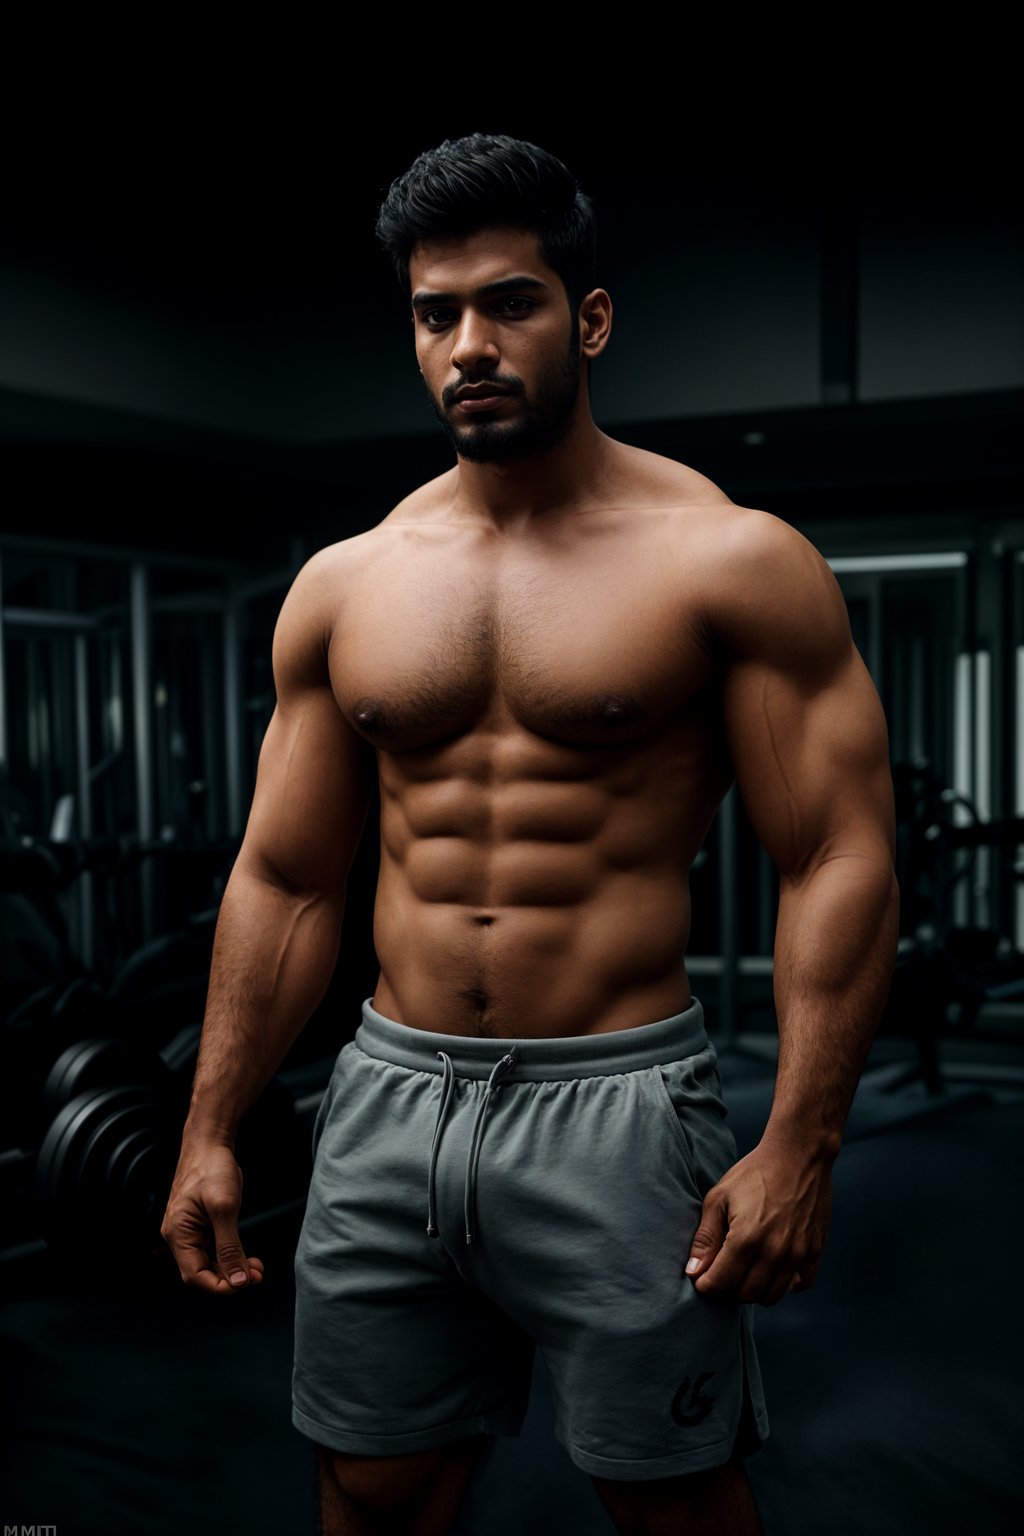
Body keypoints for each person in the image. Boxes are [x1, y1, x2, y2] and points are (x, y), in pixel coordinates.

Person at [161, 133, 899, 1536]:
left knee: (668, 1495)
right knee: (374, 1491)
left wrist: (803, 1142)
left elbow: (837, 857)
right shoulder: (345, 584)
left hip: (620, 1108)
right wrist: (210, 1127)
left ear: (592, 318)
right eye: (437, 315)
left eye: (512, 303)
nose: (470, 345)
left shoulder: (731, 560)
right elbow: (288, 875)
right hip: (384, 1102)